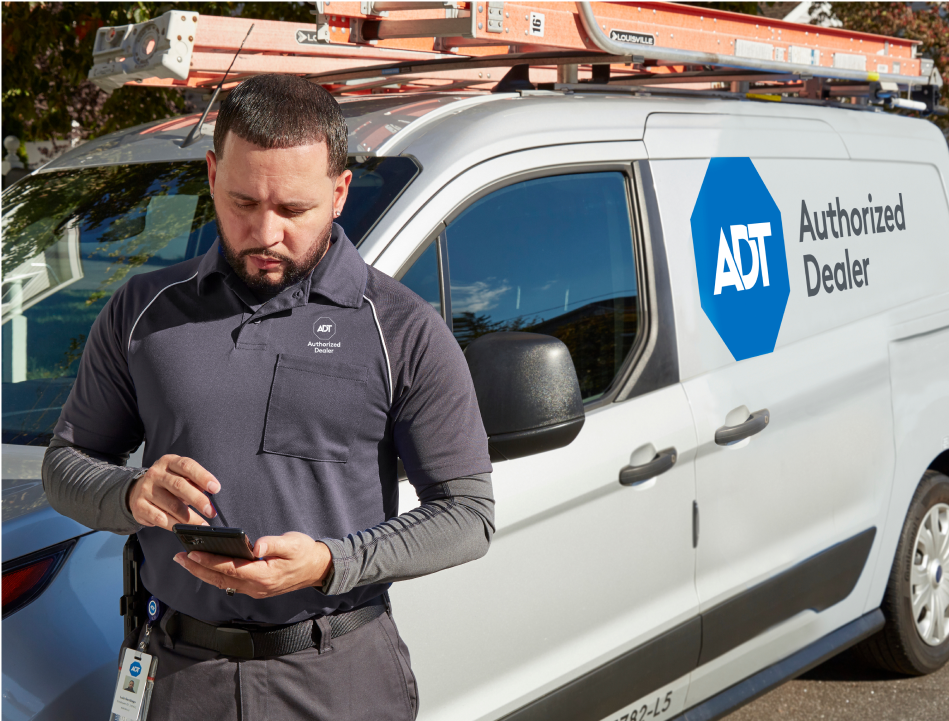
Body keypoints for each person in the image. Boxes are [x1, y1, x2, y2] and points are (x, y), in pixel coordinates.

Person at [42, 74, 494, 720]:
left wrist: (329, 562)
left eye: (292, 209)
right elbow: (65, 465)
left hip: (336, 676)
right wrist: (129, 494)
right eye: (243, 202)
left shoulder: (401, 330)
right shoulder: (143, 312)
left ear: (339, 193)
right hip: (175, 675)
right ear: (210, 175)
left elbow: (468, 514)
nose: (265, 232)